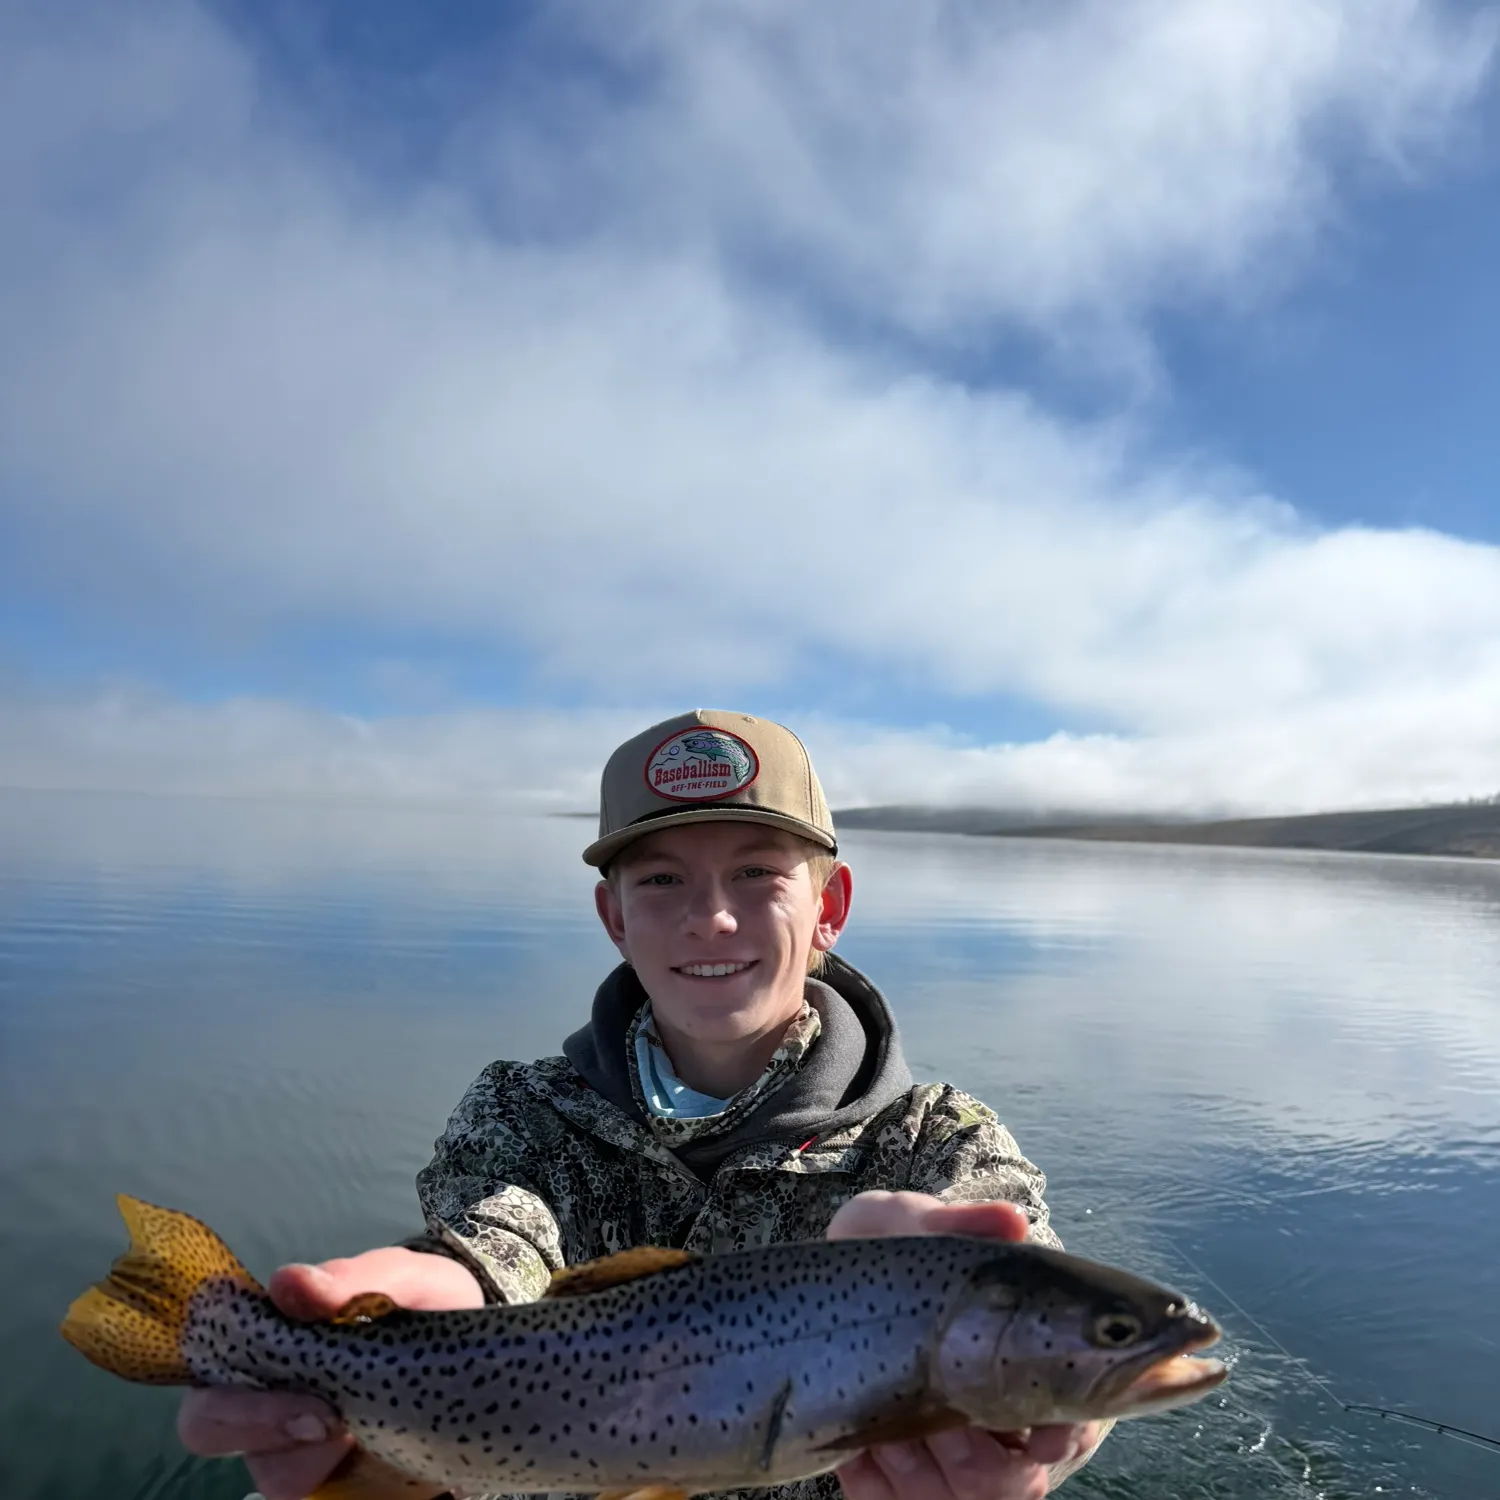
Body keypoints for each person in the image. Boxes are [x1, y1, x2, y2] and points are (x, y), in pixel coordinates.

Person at [179, 711, 1109, 1500]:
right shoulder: (522, 1106)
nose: (712, 916)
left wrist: (1055, 1421)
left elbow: (1027, 1270)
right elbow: (501, 1237)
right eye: (661, 880)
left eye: (758, 873)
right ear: (613, 918)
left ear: (831, 906)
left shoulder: (941, 1142)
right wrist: (435, 1293)